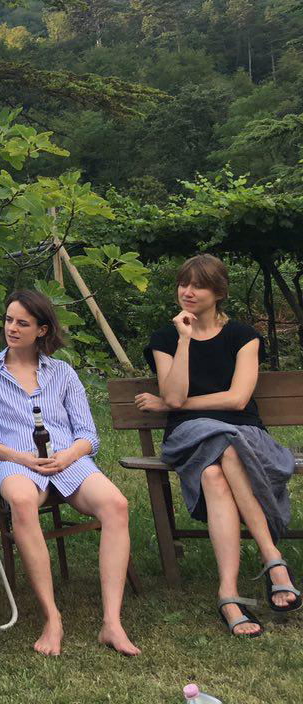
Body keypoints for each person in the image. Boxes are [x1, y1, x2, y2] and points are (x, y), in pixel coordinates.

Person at [135, 253, 299, 637]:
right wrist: (184, 340)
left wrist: (171, 404)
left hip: (245, 433)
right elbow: (174, 396)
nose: (188, 292)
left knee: (215, 472)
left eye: (199, 286)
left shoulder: (243, 336)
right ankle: (273, 559)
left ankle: (228, 594)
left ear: (219, 292)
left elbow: (238, 400)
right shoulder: (166, 338)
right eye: (184, 284)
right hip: (190, 436)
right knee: (225, 446)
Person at [0, 289, 139, 657]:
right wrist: (22, 457)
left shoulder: (62, 373)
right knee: (21, 500)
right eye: (9, 320)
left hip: (67, 459)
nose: (12, 328)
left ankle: (112, 623)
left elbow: (89, 436)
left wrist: (69, 455)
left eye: (22, 323)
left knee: (116, 505)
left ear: (42, 330)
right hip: (14, 460)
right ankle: (52, 617)